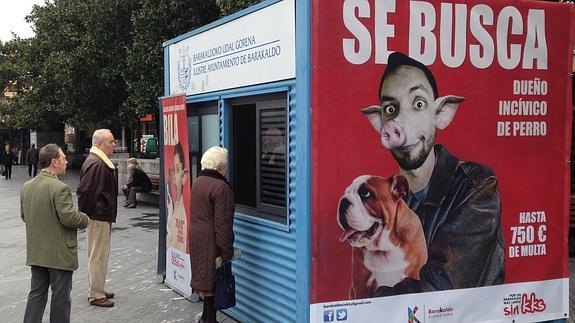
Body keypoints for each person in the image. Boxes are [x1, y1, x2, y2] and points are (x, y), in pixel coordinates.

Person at [361, 52, 505, 294]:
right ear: (379, 122)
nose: (401, 123)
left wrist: (368, 304)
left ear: (441, 113)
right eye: (390, 109)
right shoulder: (389, 201)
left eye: (418, 104)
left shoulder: (477, 186)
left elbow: (440, 289)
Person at [21, 144, 90, 323]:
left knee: (36, 294)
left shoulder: (27, 186)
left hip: (37, 252)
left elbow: (24, 216)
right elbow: (68, 218)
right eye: (63, 158)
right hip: (59, 254)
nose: (66, 161)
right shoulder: (60, 188)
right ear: (54, 162)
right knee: (60, 298)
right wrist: (85, 219)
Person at [189, 146, 235, 323]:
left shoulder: (198, 182)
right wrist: (226, 250)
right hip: (211, 240)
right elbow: (223, 224)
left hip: (197, 237)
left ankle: (206, 318)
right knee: (214, 282)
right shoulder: (221, 187)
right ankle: (209, 320)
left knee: (206, 282)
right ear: (221, 167)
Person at [77, 129, 117, 307]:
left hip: (98, 214)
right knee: (98, 255)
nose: (114, 145)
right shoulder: (97, 163)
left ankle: (97, 288)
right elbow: (85, 192)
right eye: (111, 141)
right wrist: (85, 215)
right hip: (98, 216)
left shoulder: (97, 160)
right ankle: (96, 294)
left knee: (98, 254)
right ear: (100, 144)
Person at [166, 142, 189, 251]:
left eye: (177, 170)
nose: (174, 177)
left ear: (184, 175)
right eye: (173, 171)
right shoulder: (173, 205)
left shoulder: (182, 212)